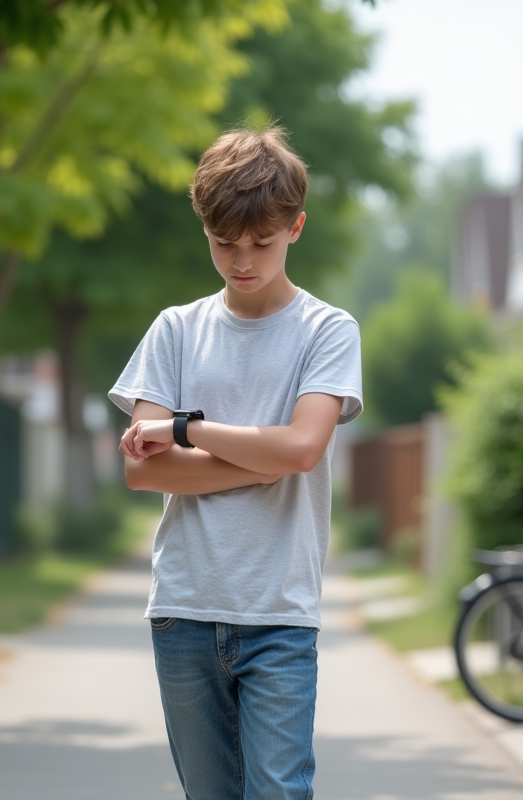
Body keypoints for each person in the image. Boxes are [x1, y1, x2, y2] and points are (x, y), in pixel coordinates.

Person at [108, 125, 362, 800]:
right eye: (225, 243)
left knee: (279, 792)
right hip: (186, 607)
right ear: (205, 230)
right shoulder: (175, 330)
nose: (241, 259)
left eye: (261, 242)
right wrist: (260, 462)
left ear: (296, 228)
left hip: (279, 611)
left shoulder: (328, 331)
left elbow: (304, 447)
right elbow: (144, 469)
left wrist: (187, 427)